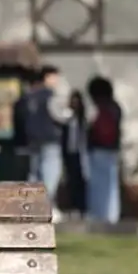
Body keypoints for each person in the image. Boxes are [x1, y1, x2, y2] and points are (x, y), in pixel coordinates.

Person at [22, 65, 72, 219]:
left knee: (35, 174)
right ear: (48, 77)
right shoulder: (51, 95)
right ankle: (47, 207)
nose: (57, 81)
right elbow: (59, 115)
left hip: (33, 140)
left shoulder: (30, 96)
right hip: (50, 140)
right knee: (50, 175)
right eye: (55, 77)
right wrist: (69, 114)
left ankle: (31, 207)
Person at [86, 76, 123, 223]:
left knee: (97, 184)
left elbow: (90, 126)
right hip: (112, 149)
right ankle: (111, 215)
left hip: (97, 149)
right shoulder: (115, 107)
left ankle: (99, 214)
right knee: (111, 184)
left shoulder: (96, 108)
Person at [61, 90, 88, 218]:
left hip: (80, 153)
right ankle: (72, 206)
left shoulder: (83, 119)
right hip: (69, 153)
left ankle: (81, 207)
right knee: (71, 179)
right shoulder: (68, 118)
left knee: (80, 180)